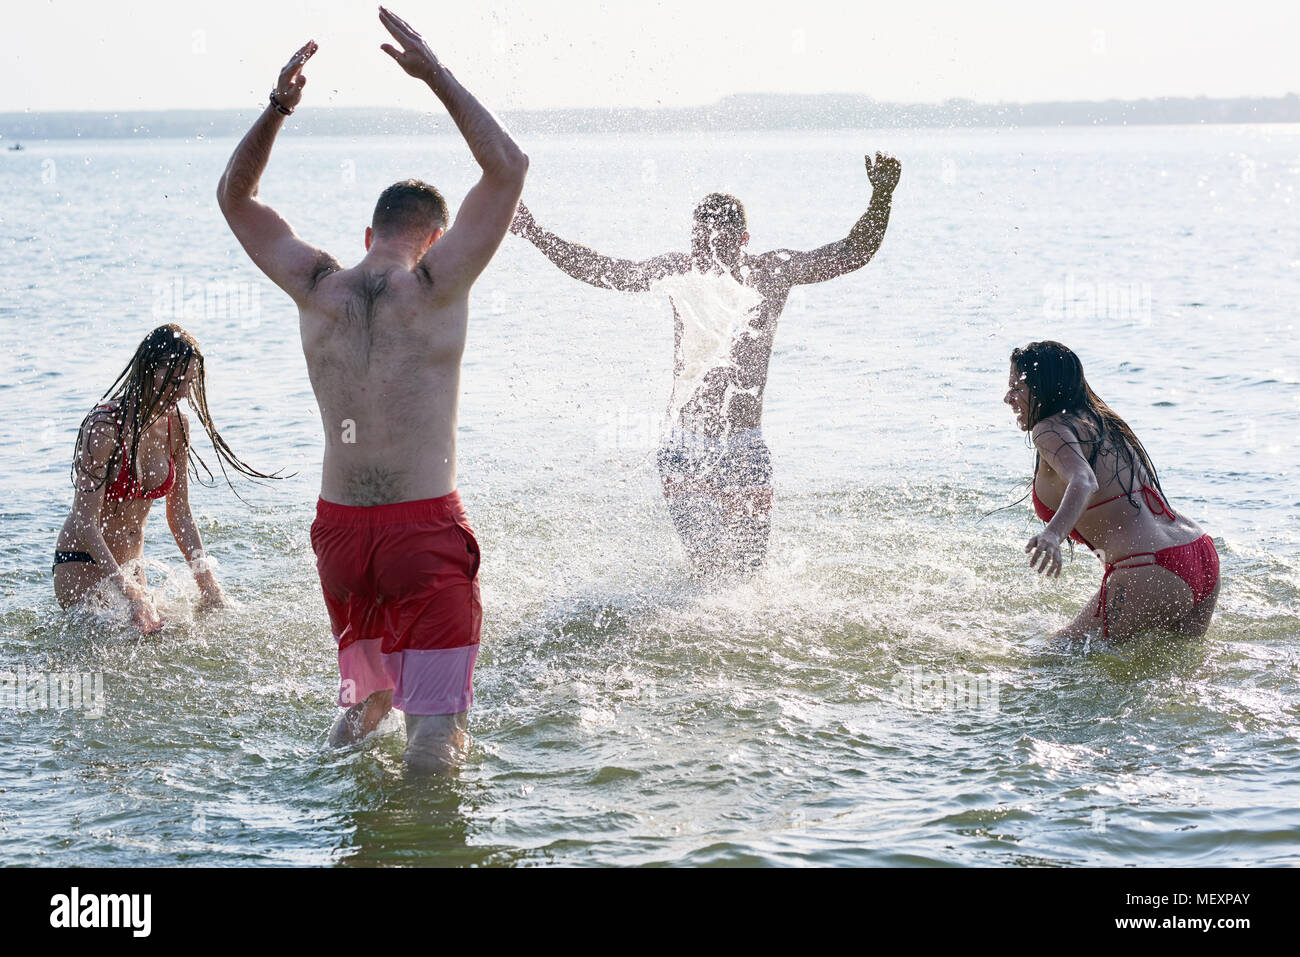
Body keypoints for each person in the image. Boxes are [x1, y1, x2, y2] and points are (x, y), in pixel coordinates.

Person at [217, 8, 527, 772]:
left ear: (368, 233)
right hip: (420, 532)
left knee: (364, 705)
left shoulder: (317, 284)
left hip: (341, 536)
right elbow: (509, 167)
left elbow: (235, 197)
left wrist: (279, 107)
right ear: (436, 234)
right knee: (434, 731)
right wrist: (436, 75)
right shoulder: (435, 284)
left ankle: (325, 822)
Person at [511, 153, 900, 575]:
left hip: (745, 447)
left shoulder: (770, 274)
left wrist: (881, 197)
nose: (709, 251)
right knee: (710, 572)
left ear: (744, 239)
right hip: (686, 447)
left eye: (721, 242)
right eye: (701, 241)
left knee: (746, 573)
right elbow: (602, 269)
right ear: (693, 238)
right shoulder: (678, 272)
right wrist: (535, 233)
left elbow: (850, 253)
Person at [54, 323, 276, 632]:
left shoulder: (178, 426)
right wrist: (129, 593)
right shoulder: (103, 427)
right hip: (84, 563)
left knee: (180, 634)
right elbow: (84, 521)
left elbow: (181, 513)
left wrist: (208, 585)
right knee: (132, 640)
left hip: (132, 569)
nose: (184, 392)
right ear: (147, 371)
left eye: (189, 382)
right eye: (174, 381)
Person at [1004, 340, 1220, 640]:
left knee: (1051, 659)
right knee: (1179, 673)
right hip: (1199, 552)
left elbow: (1084, 480)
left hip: (1148, 567)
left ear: (1043, 388)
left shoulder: (1048, 430)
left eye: (1017, 387)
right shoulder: (1102, 420)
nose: (1007, 398)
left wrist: (1052, 534)